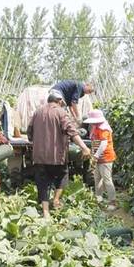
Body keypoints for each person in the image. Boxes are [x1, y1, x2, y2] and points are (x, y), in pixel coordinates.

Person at [27, 91, 91, 219]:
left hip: (40, 156)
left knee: (42, 182)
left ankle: (45, 211)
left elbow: (30, 132)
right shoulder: (62, 112)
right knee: (62, 176)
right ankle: (56, 200)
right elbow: (72, 132)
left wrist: (35, 140)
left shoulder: (37, 112)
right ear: (60, 101)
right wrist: (84, 147)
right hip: (57, 156)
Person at [83, 109, 117, 211]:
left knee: (107, 180)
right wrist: (94, 156)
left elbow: (103, 144)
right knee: (97, 179)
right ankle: (99, 199)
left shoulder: (103, 129)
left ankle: (113, 202)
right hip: (97, 158)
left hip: (106, 158)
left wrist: (96, 156)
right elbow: (94, 142)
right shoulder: (95, 127)